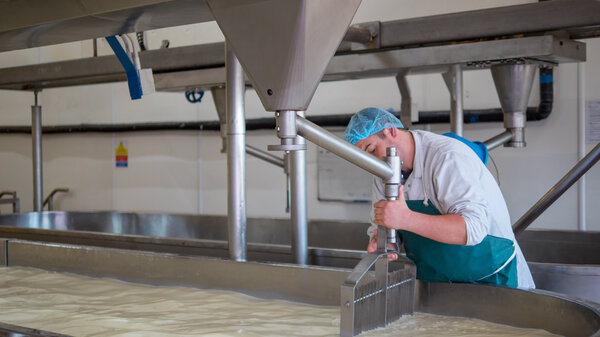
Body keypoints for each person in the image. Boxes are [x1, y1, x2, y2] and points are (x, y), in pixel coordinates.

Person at [343, 107, 535, 289]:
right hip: (437, 282)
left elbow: (473, 228)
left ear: (391, 131)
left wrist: (406, 219)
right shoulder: (383, 172)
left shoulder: (447, 156)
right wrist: (387, 241)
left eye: (372, 149)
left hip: (494, 280)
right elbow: (386, 223)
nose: (373, 162)